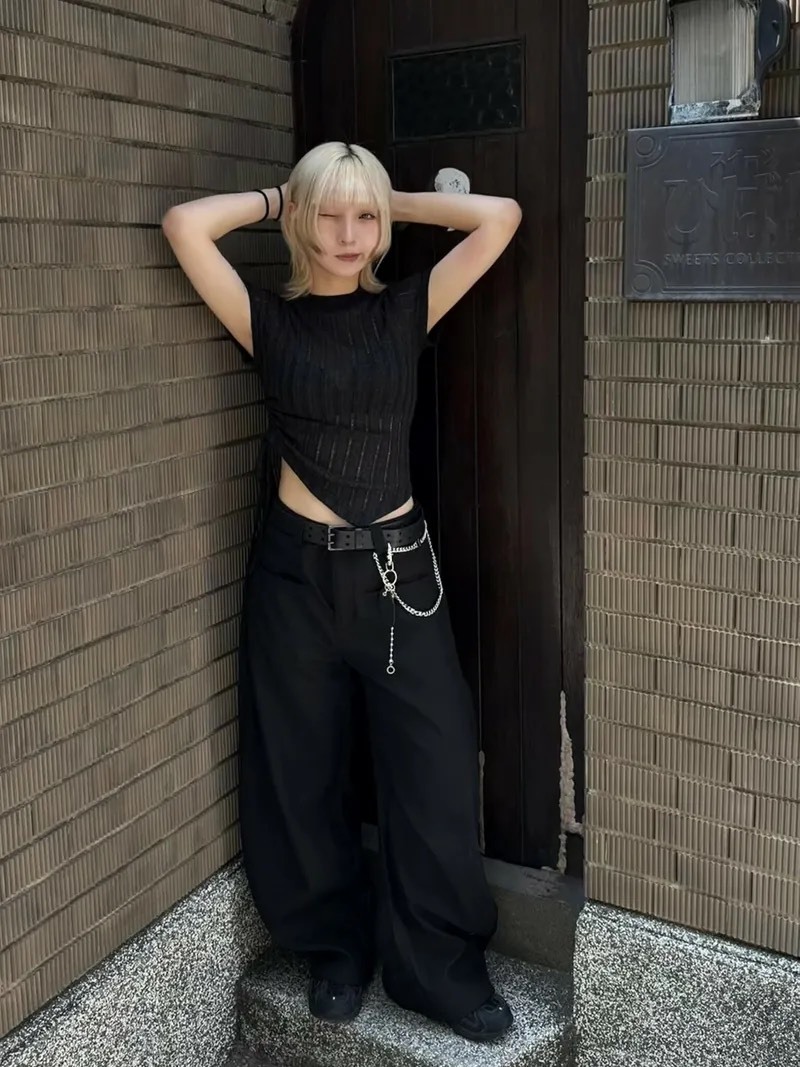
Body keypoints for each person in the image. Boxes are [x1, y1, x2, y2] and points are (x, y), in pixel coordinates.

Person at [162, 141, 522, 1042]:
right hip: (296, 574)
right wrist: (282, 195)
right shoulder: (267, 320)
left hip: (399, 573)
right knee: (300, 764)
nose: (350, 233)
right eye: (331, 214)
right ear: (301, 220)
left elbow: (499, 219)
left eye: (365, 217)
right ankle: (333, 949)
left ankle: (439, 969)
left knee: (433, 766)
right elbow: (185, 226)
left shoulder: (406, 308)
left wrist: (387, 196)